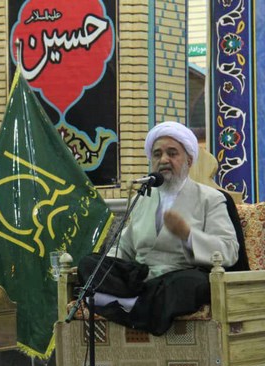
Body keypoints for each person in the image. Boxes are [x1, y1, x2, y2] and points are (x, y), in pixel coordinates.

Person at [77, 121, 240, 335]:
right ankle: (137, 304)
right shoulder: (143, 198)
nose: (163, 160)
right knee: (89, 264)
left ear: (189, 160)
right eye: (157, 154)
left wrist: (188, 235)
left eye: (172, 153)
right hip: (142, 279)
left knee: (188, 285)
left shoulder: (211, 199)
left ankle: (125, 305)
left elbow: (229, 250)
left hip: (179, 275)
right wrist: (106, 268)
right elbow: (124, 248)